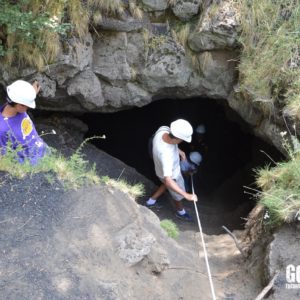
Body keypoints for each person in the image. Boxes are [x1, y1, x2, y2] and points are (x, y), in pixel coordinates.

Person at [146, 119, 198, 221]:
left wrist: (178, 150)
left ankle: (151, 201)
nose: (182, 141)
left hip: (160, 169)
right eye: (182, 139)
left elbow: (166, 144)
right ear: (177, 138)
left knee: (165, 184)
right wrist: (186, 195)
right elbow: (168, 180)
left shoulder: (163, 130)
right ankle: (180, 212)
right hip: (171, 175)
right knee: (177, 194)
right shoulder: (167, 156)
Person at [0, 79, 48, 164]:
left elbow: (20, 96)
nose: (28, 107)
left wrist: (32, 93)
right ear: (20, 104)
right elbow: (4, 155)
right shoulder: (2, 130)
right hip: (31, 161)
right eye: (28, 105)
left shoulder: (14, 107)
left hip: (42, 147)